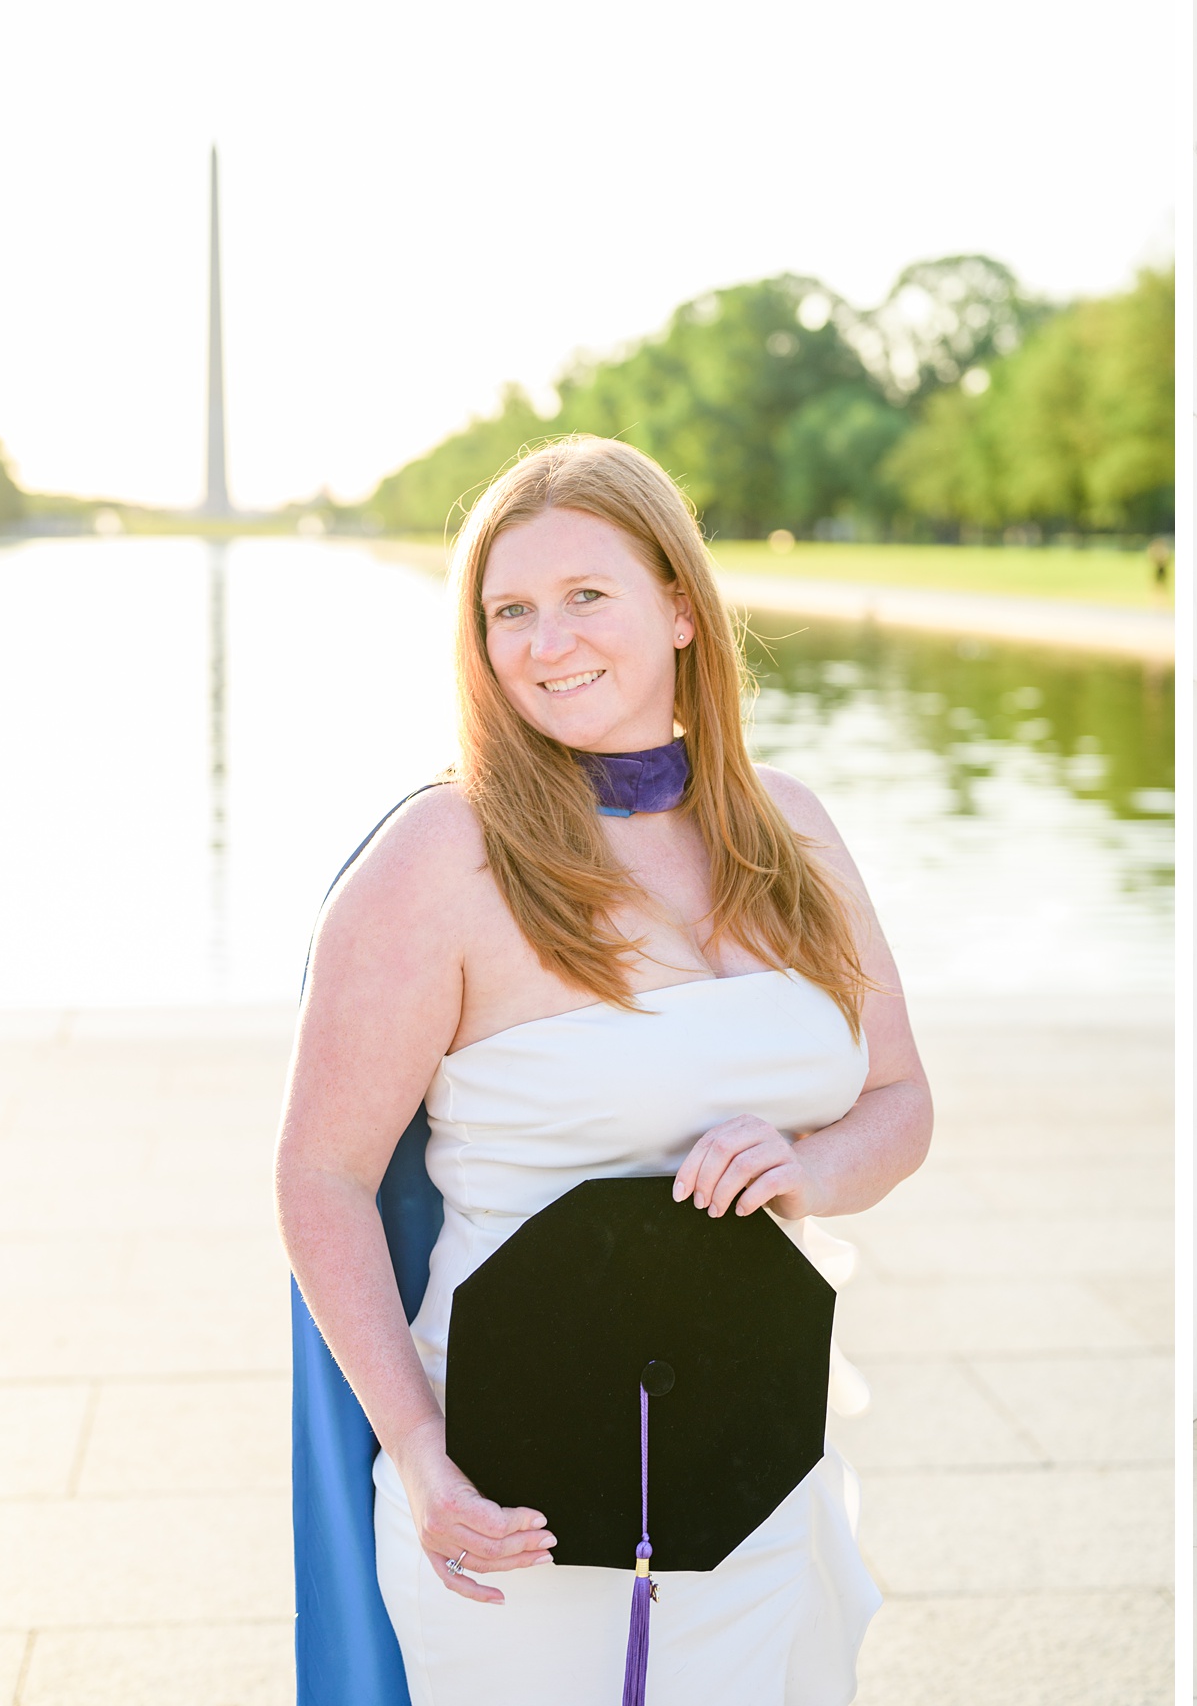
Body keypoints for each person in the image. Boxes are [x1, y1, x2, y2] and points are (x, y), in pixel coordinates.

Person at [276, 436, 930, 1703]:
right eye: (508, 609)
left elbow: (901, 1102)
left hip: (755, 1458)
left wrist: (807, 1164)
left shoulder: (790, 826)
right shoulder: (440, 853)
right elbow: (318, 1173)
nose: (545, 638)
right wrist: (419, 1454)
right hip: (515, 1488)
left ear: (681, 606)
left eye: (586, 595)